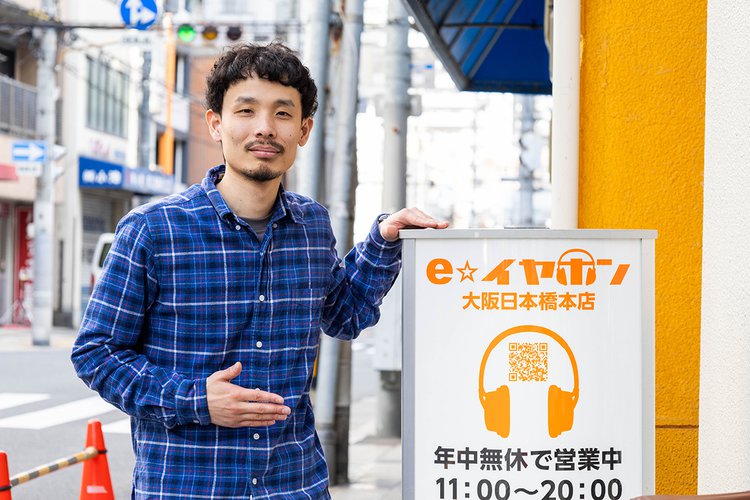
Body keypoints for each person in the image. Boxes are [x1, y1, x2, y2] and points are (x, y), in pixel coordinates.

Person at [71, 41, 448, 499]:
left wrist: (384, 240)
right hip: (188, 488)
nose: (265, 128)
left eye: (282, 113)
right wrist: (196, 400)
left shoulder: (311, 224)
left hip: (294, 485)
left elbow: (342, 316)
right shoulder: (153, 229)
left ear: (303, 130)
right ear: (216, 123)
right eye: (246, 111)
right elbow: (96, 353)